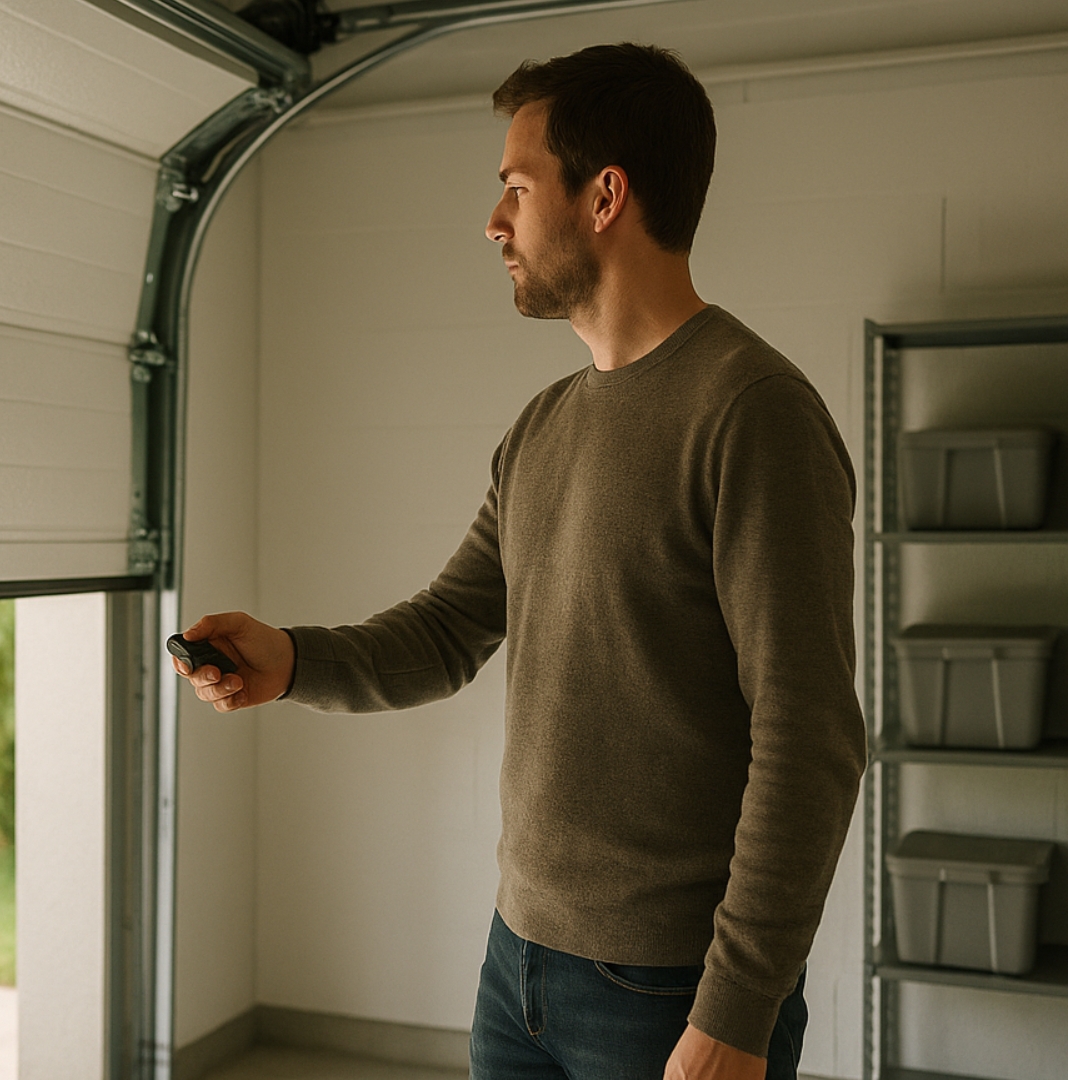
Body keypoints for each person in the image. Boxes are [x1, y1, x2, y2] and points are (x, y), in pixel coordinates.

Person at [172, 43, 865, 1080]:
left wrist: (736, 1010)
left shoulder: (751, 414)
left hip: (671, 992)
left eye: (516, 187)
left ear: (604, 197)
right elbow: (452, 627)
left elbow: (810, 740)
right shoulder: (545, 425)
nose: (494, 222)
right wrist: (292, 661)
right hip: (518, 968)